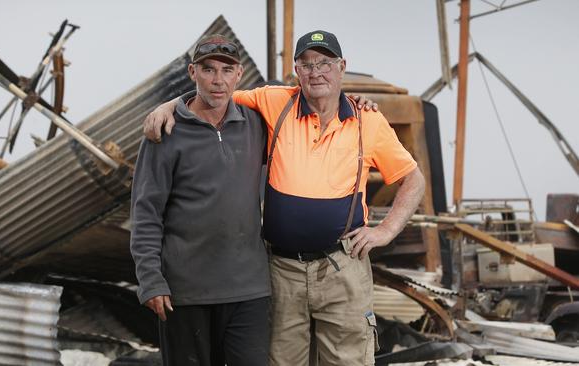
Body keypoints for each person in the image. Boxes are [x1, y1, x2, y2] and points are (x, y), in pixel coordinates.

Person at [144, 30, 424, 366]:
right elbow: (215, 92)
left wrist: (386, 231)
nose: (315, 71)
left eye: (324, 63)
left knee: (347, 361)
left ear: (342, 67)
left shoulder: (368, 120)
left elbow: (412, 178)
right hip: (282, 271)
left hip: (343, 268)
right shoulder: (275, 102)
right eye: (306, 64)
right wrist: (169, 105)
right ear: (296, 71)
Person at [130, 34, 272, 366]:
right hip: (185, 292)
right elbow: (146, 212)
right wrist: (150, 280)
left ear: (239, 75)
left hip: (248, 288)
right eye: (208, 70)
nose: (218, 80)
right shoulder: (165, 132)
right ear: (193, 73)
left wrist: (354, 101)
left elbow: (308, 100)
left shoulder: (256, 124)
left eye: (227, 70)